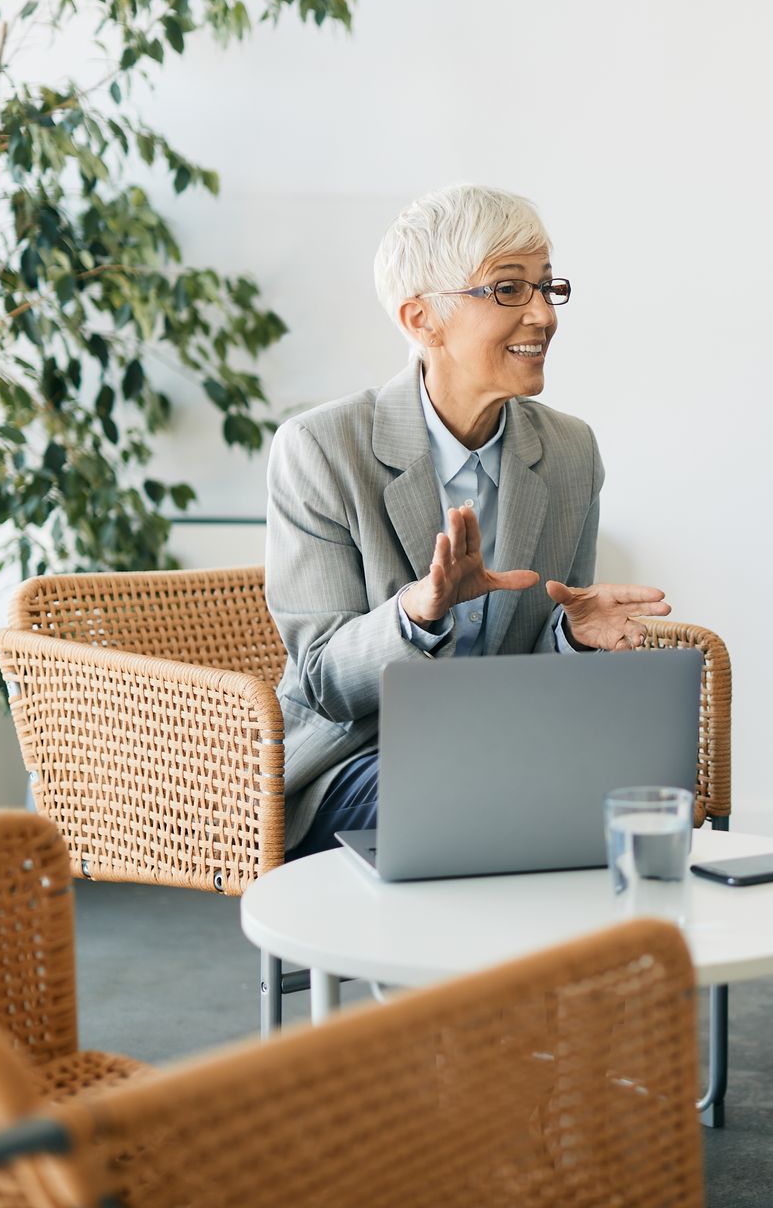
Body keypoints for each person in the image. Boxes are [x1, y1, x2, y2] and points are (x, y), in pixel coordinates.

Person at [264, 184, 670, 859]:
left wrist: (571, 639)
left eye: (547, 287)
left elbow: (535, 664)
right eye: (509, 290)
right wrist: (416, 614)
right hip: (355, 759)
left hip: (508, 746)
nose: (543, 315)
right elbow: (319, 682)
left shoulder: (570, 453)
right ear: (423, 320)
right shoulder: (320, 450)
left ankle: (608, 962)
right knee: (489, 791)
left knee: (636, 788)